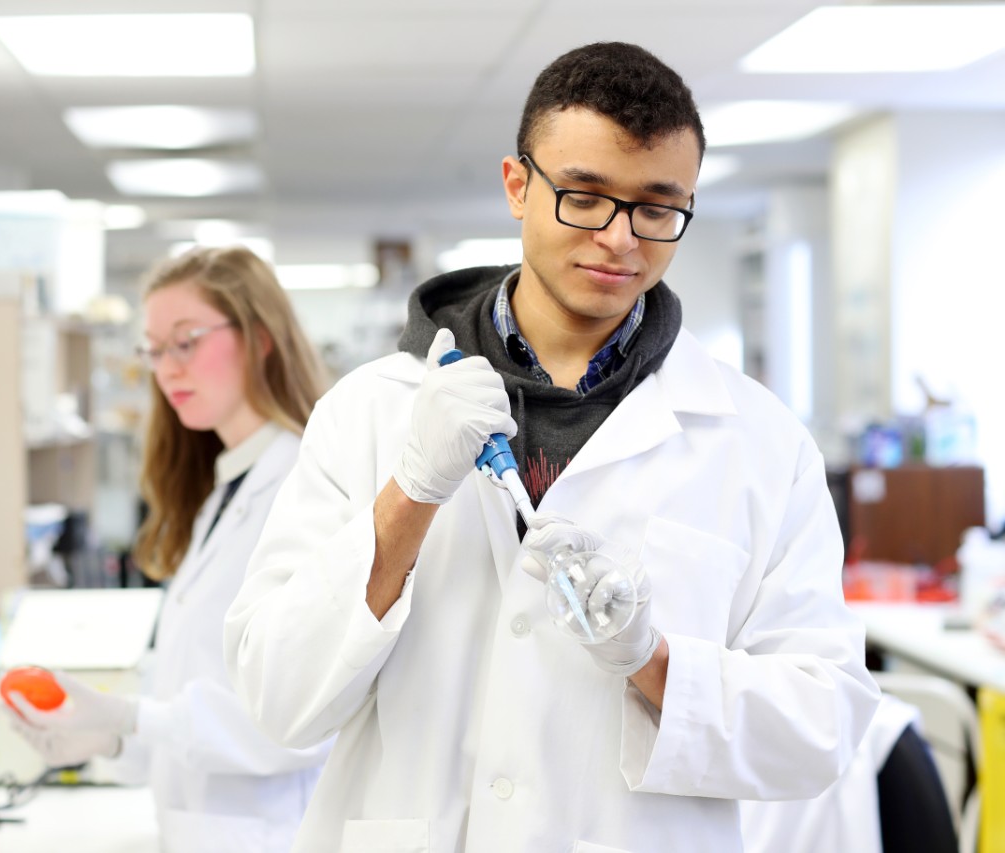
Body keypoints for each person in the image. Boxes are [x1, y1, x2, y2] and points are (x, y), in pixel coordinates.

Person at [223, 42, 880, 852]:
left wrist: (651, 659)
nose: (619, 238)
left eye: (656, 207)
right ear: (517, 185)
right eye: (585, 196)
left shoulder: (760, 443)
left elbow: (821, 725)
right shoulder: (370, 412)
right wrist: (412, 492)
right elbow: (275, 697)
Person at [8, 245, 333, 852]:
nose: (167, 368)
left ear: (260, 337)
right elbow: (197, 680)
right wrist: (109, 738)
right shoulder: (225, 489)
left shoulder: (306, 485)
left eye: (186, 341)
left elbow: (303, 715)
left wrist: (132, 718)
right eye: (154, 350)